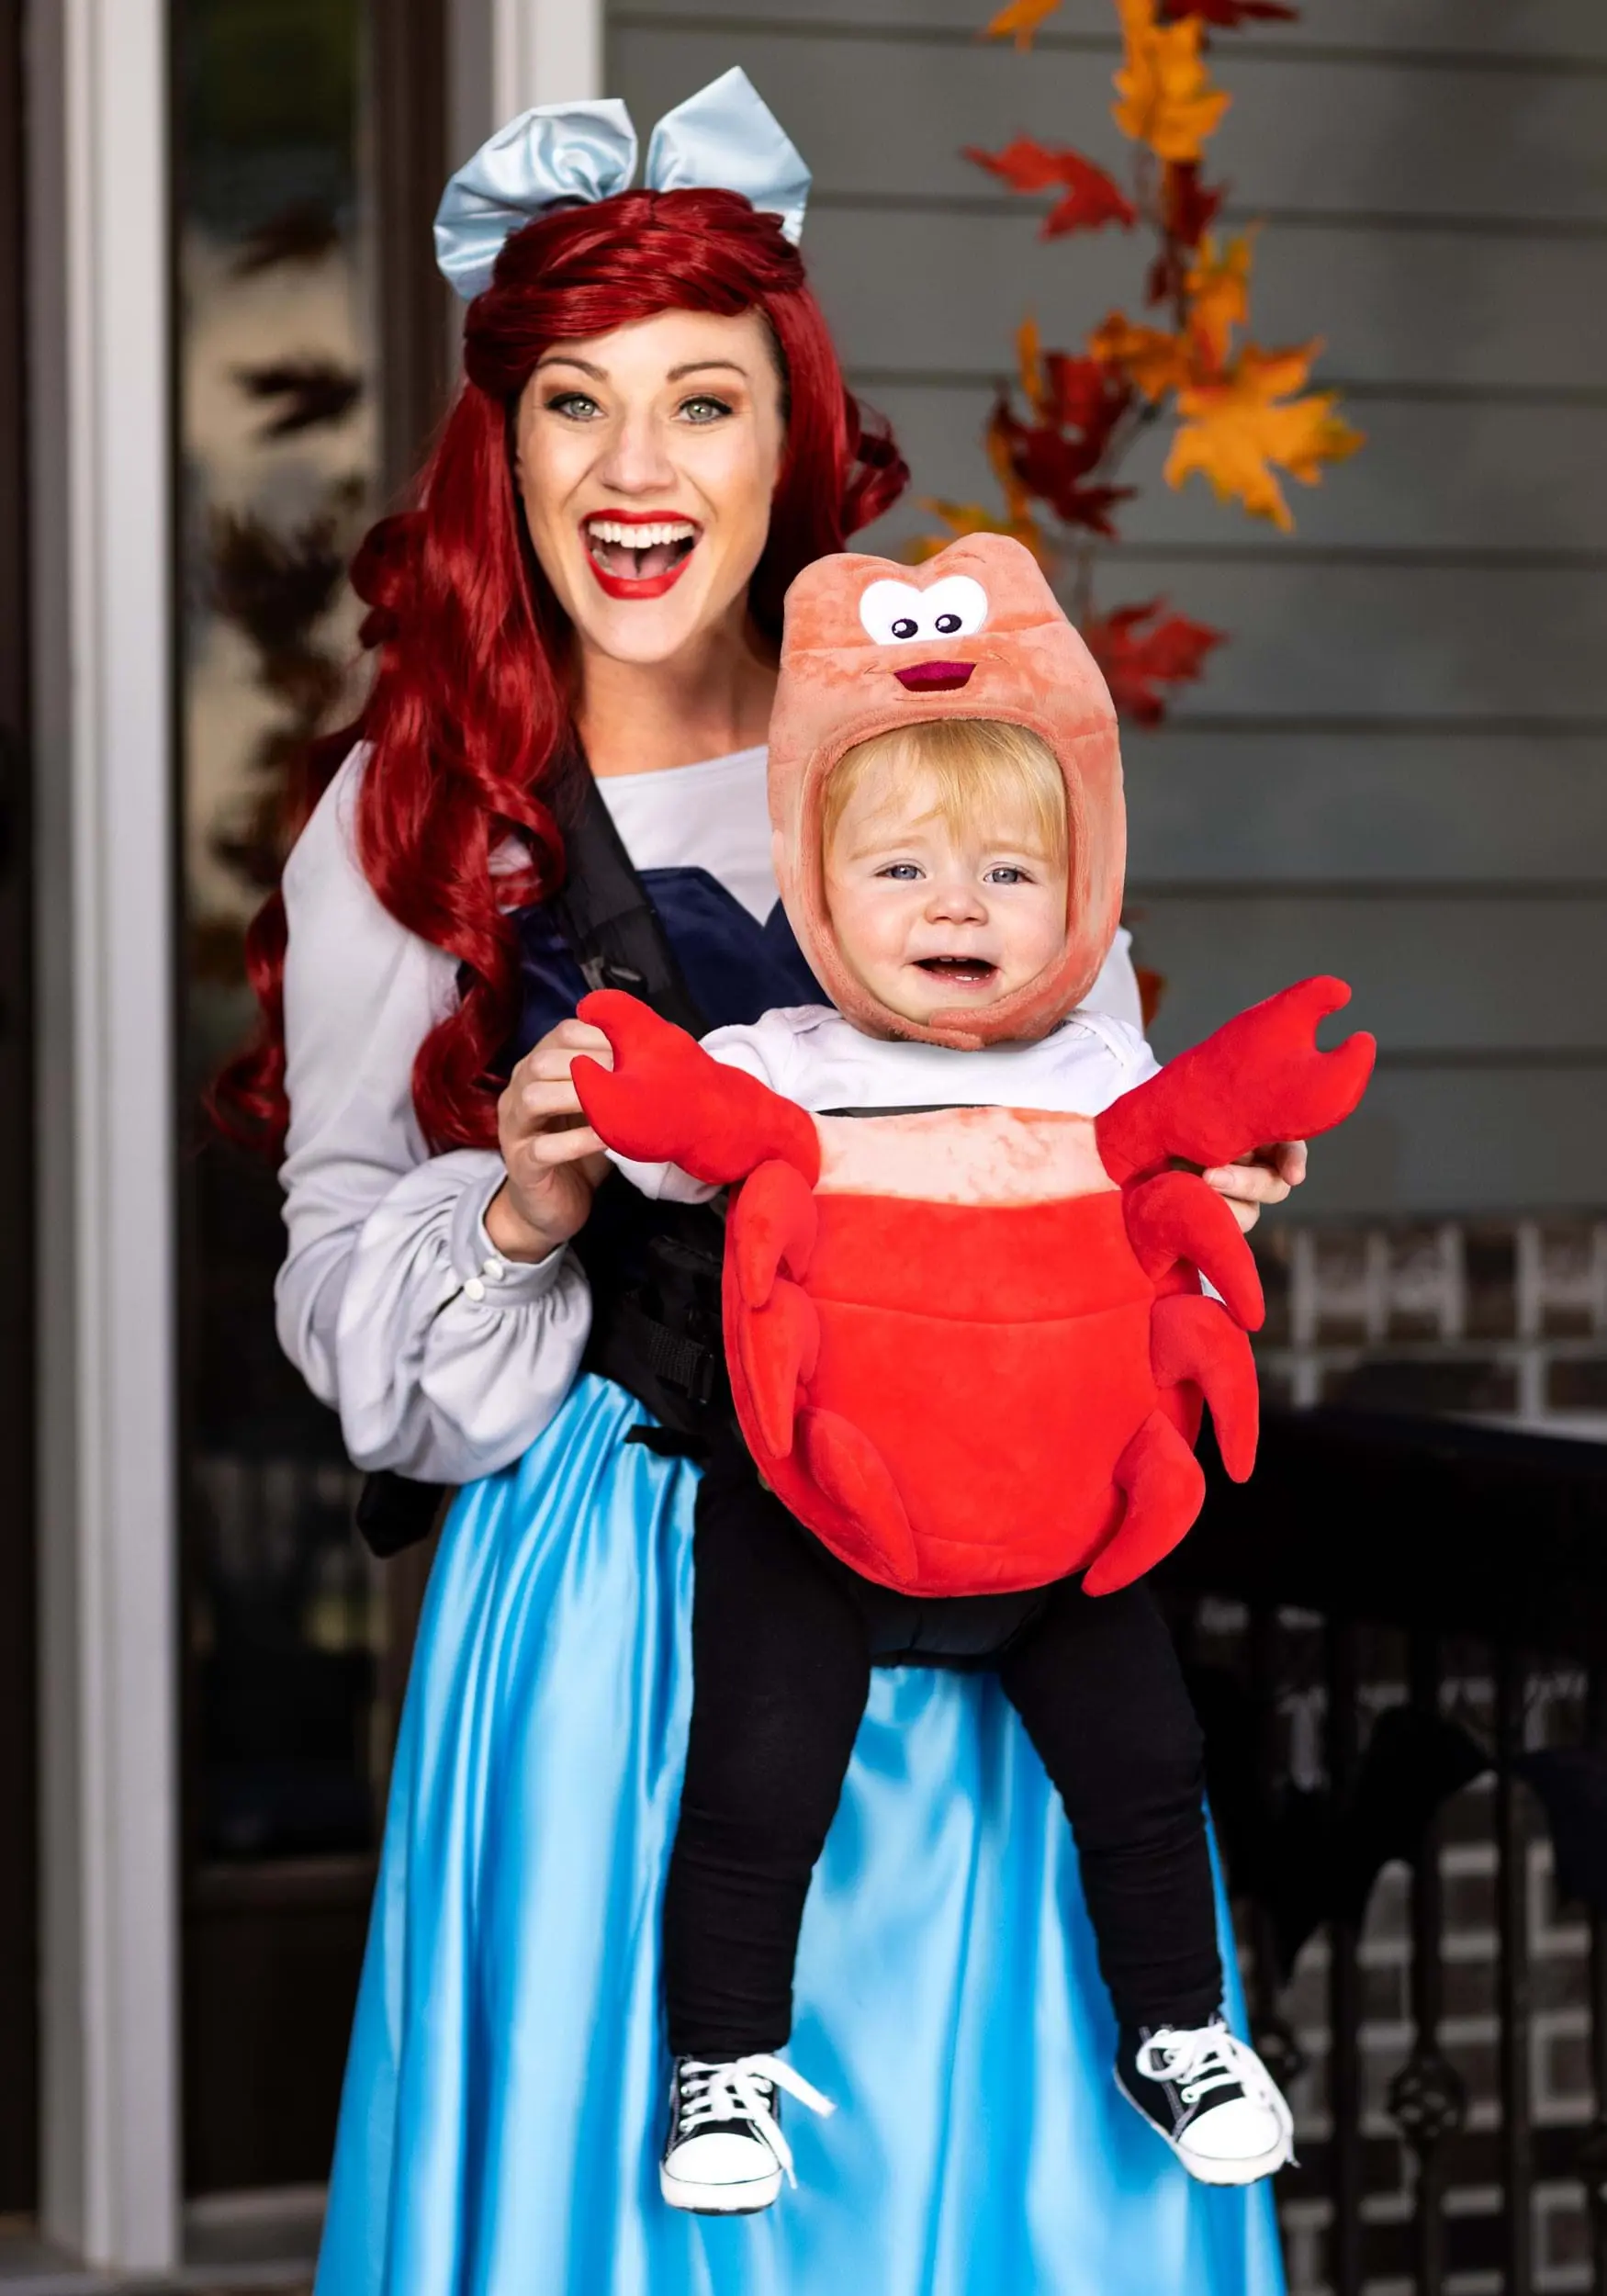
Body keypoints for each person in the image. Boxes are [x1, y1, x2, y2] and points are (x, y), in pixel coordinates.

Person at [223, 72, 1299, 2296]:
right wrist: (516, 1212)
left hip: (990, 1577)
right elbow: (349, 1321)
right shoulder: (412, 821)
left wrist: (1162, 1189)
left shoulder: (938, 731)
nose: (634, 471)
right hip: (620, 1607)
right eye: (573, 403)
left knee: (979, 2171)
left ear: (786, 433)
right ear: (500, 448)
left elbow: (1080, 1093)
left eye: (698, 403)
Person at [575, 546, 1300, 2213]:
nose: (954, 906)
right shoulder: (780, 1060)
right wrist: (621, 1088)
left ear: (1080, 896)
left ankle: (1178, 2028)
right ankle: (722, 2069)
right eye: (897, 867)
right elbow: (674, 1148)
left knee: (1148, 1767)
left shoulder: (1101, 1072)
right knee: (757, 1780)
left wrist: (1236, 1170)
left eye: (1006, 872)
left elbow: (1178, 1199)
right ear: (819, 892)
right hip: (821, 1506)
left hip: (1057, 1524)